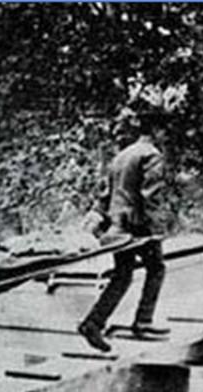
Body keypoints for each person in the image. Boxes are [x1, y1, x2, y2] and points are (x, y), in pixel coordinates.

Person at [77, 109, 170, 353]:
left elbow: (105, 196)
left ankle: (93, 323)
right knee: (157, 268)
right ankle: (143, 323)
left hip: (117, 228)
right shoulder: (152, 155)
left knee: (123, 274)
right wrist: (156, 230)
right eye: (164, 131)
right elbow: (151, 196)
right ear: (158, 131)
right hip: (137, 227)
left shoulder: (121, 155)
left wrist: (99, 222)